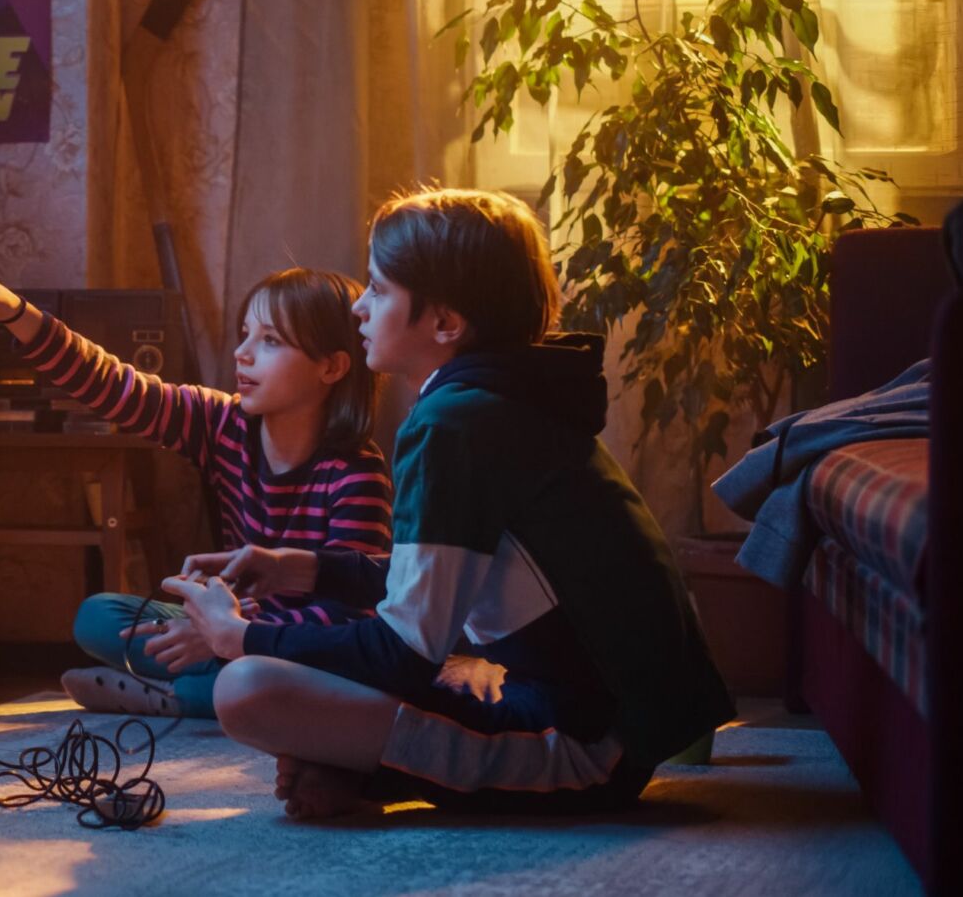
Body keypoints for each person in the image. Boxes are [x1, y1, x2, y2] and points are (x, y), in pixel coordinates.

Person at [163, 188, 735, 818]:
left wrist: (236, 635)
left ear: (444, 324)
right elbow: (445, 578)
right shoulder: (496, 402)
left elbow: (404, 654)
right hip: (599, 721)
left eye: (378, 291)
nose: (358, 306)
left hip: (583, 747)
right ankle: (361, 768)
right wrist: (296, 566)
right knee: (292, 679)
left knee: (247, 686)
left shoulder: (453, 425)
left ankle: (377, 771)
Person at [0, 257, 392, 719]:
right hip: (229, 628)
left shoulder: (356, 473)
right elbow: (115, 387)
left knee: (240, 683)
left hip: (297, 649)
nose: (243, 353)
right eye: (246, 334)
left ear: (331, 367)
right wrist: (18, 313)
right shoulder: (221, 422)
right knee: (97, 616)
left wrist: (230, 631)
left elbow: (346, 616)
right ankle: (194, 681)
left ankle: (178, 694)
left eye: (270, 340)